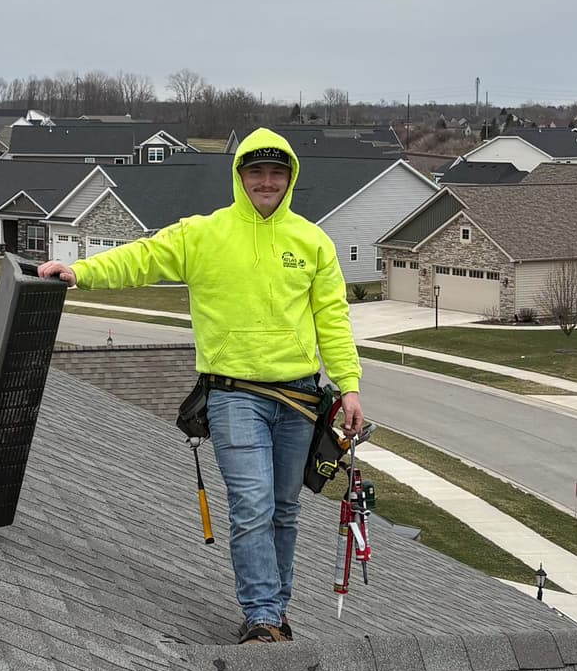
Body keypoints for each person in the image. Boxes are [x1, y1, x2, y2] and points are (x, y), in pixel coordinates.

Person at [40, 129, 364, 644]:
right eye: (255, 172)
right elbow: (139, 258)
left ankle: (276, 612)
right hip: (233, 394)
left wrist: (348, 386)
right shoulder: (203, 235)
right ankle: (260, 613)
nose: (266, 181)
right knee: (253, 503)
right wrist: (78, 271)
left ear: (290, 178)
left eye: (276, 172)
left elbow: (332, 317)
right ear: (239, 177)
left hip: (299, 400)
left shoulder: (313, 242)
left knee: (284, 509)